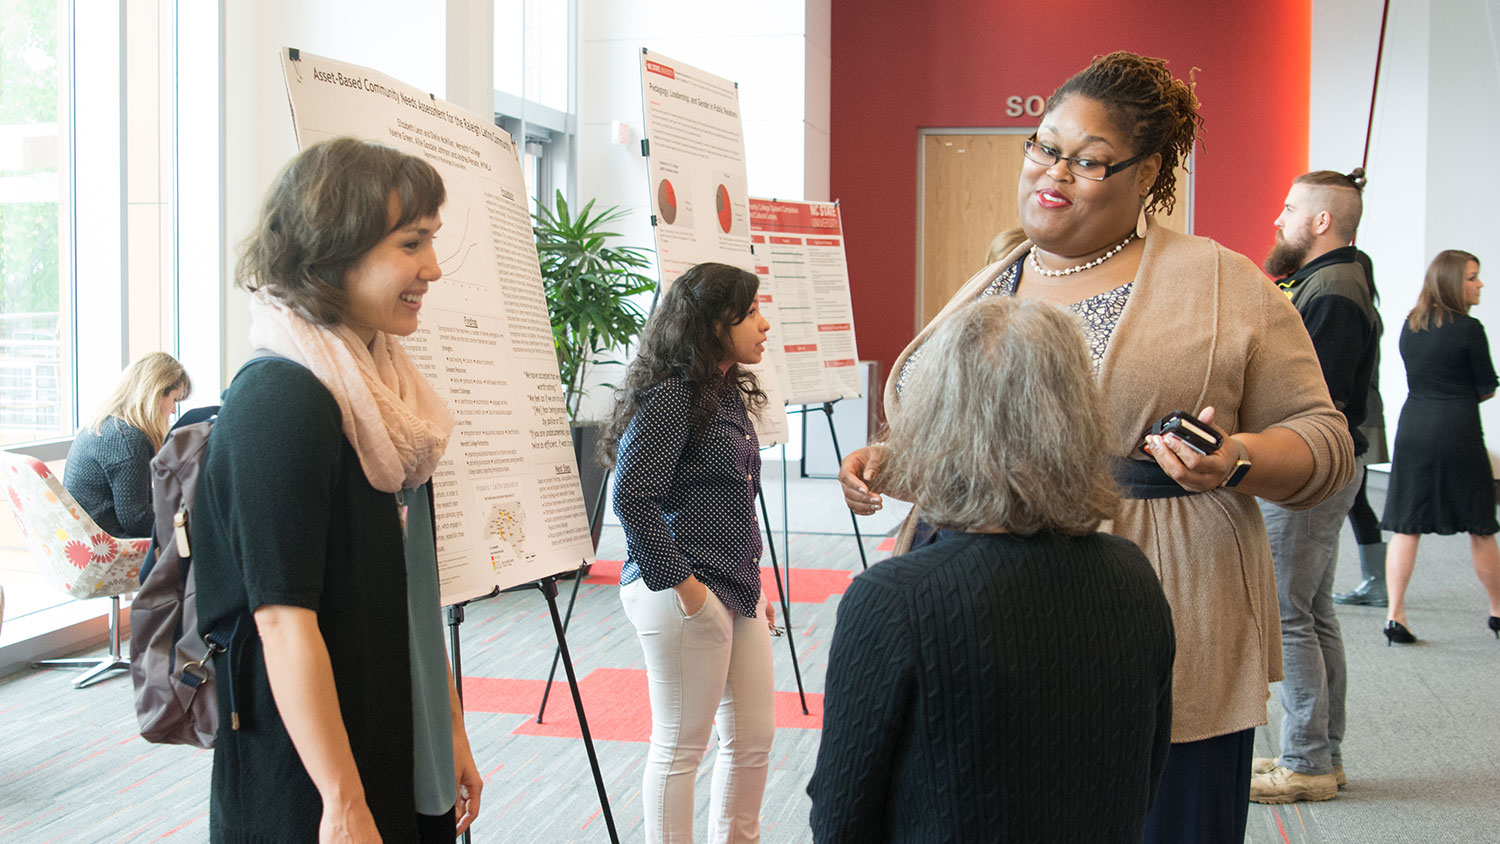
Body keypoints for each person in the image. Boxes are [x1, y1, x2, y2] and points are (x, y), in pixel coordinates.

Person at [838, 51, 1354, 844]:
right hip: (976, 617)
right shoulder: (995, 277)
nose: (1055, 172)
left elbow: (1326, 444)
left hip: (1156, 602)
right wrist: (894, 464)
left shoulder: (1221, 283)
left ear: (1146, 172)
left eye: (1089, 160)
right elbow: (981, 444)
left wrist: (1236, 459)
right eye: (1045, 147)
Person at [193, 138, 482, 842]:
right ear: (332, 251)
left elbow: (411, 595)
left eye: (432, 242)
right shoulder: (281, 403)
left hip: (397, 742)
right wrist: (343, 802)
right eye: (412, 244)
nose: (433, 269)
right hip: (316, 779)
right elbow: (282, 623)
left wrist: (448, 729)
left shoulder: (387, 398)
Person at [808, 296, 1175, 842]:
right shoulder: (1132, 575)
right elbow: (1145, 779)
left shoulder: (894, 600)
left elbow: (840, 819)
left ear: (935, 419)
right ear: (1080, 417)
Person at [601, 261, 777, 844]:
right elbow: (631, 495)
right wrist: (684, 588)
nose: (764, 324)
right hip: (681, 590)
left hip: (733, 586)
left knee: (753, 738)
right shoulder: (674, 395)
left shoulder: (722, 390)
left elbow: (732, 502)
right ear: (713, 324)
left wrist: (749, 587)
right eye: (750, 312)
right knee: (680, 747)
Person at [1250, 169, 1378, 804]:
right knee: (1314, 610)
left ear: (1322, 221)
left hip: (1311, 472)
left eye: (1291, 206)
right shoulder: (1340, 280)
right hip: (1331, 470)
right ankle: (1322, 753)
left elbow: (1312, 402)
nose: (1280, 217)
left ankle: (1305, 762)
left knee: (1289, 614)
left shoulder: (1330, 291)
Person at [1379, 250, 1500, 645]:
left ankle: (1395, 616)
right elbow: (1486, 386)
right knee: (1481, 526)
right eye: (1472, 277)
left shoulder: (1409, 327)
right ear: (1452, 282)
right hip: (1459, 432)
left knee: (1406, 526)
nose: (1479, 284)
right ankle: (1499, 613)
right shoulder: (1469, 329)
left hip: (1413, 429)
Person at [63, 351, 191, 537]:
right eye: (174, 400)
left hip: (84, 541)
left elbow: (132, 500)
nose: (173, 410)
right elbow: (137, 520)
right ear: (156, 394)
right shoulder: (128, 440)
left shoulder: (105, 424)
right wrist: (189, 515)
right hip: (112, 548)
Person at [1336, 246, 1392, 607]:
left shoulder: (1354, 312)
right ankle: (1375, 580)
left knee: (1355, 500)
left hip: (1362, 416)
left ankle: (1376, 582)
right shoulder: (1371, 312)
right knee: (1357, 500)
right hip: (1369, 413)